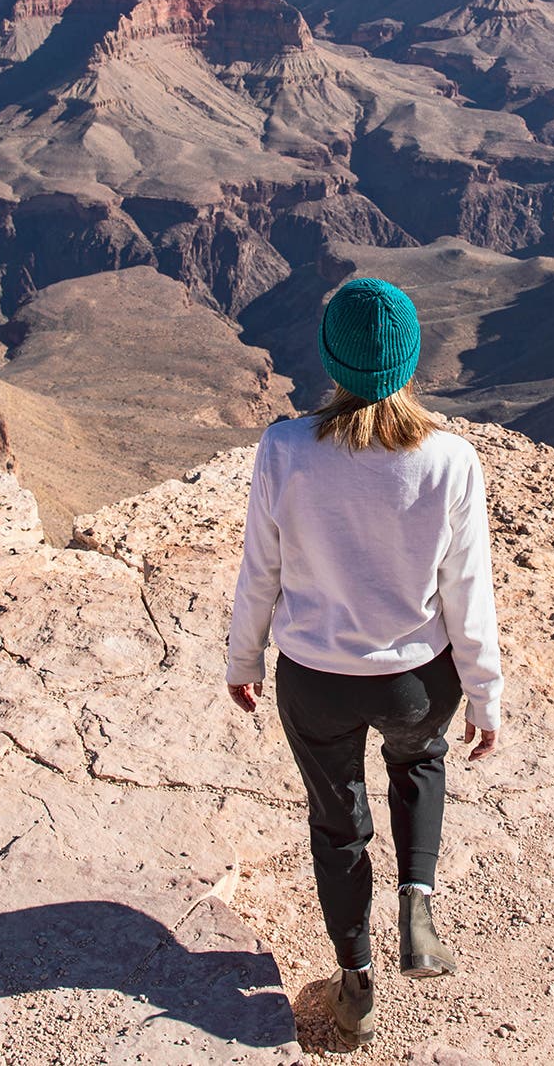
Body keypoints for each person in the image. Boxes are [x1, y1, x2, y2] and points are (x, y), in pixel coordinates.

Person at [225, 277, 503, 1046]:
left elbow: (260, 570)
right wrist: (485, 695)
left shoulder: (284, 450)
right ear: (411, 361)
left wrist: (244, 658)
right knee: (419, 763)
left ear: (331, 359)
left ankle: (356, 984)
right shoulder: (451, 460)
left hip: (316, 681)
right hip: (419, 680)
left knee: (337, 823)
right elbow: (468, 591)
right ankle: (418, 905)